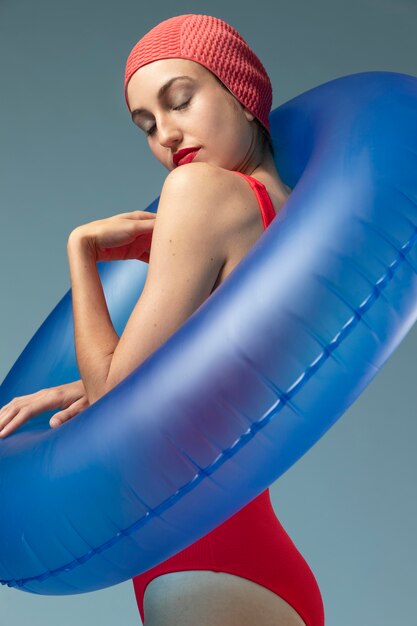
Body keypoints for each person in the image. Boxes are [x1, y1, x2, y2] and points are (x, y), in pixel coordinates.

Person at [0, 12, 324, 626]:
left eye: (180, 101)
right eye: (147, 125)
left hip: (203, 564)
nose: (168, 136)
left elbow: (119, 410)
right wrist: (65, 390)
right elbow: (218, 366)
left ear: (242, 92)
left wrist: (82, 252)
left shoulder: (201, 190)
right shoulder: (283, 211)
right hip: (256, 561)